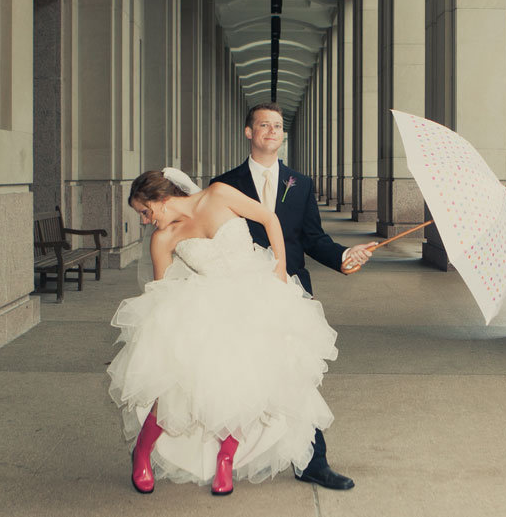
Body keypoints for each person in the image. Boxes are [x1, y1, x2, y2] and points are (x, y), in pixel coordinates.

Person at [107, 167, 339, 496]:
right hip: (208, 305)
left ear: (160, 199)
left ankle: (225, 460)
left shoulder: (218, 194)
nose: (144, 220)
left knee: (243, 382)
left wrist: (281, 270)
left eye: (144, 212)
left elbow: (270, 219)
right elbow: (159, 290)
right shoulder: (164, 238)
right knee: (176, 383)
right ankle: (142, 452)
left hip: (257, 295)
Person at [211, 102, 376, 490]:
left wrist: (343, 257)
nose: (272, 131)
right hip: (244, 293)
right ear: (248, 133)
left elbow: (313, 238)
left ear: (284, 135)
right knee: (239, 374)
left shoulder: (299, 184)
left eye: (278, 126)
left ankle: (312, 462)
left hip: (292, 292)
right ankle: (227, 457)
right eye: (263, 125)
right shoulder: (226, 184)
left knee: (300, 377)